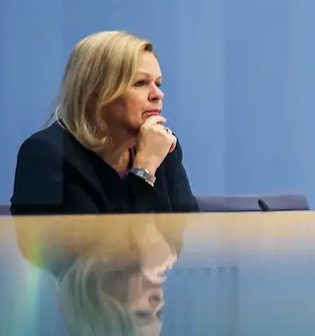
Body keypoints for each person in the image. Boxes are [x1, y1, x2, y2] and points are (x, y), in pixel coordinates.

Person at [10, 31, 199, 215]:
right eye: (140, 83)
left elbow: (188, 234)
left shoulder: (164, 146)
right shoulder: (47, 156)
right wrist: (145, 169)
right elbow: (96, 244)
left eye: (157, 83)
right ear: (96, 93)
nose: (158, 94)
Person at [15, 214, 187, 336]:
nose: (159, 302)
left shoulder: (41, 242)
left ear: (98, 307)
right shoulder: (167, 245)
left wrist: (143, 223)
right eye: (159, 313)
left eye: (142, 313)